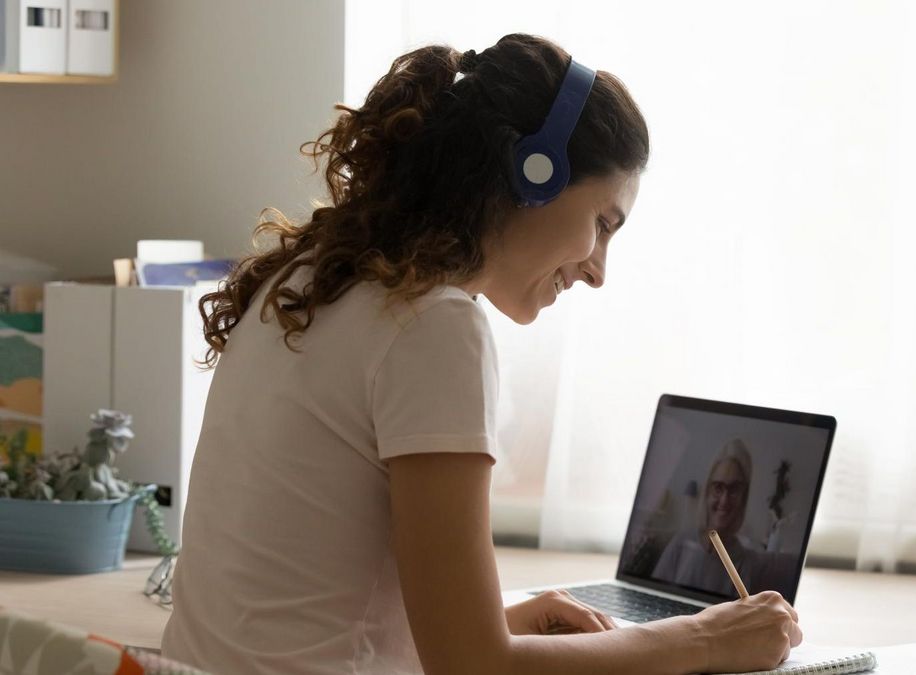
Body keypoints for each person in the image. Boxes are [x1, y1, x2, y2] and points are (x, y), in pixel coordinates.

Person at [160, 34, 802, 675]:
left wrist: (501, 622)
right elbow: (473, 666)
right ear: (534, 174)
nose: (599, 271)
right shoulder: (434, 326)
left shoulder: (304, 279)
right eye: (603, 223)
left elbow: (315, 600)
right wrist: (706, 639)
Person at [653, 439, 798, 595]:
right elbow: (652, 593)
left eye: (734, 489)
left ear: (744, 497)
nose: (724, 500)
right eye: (718, 487)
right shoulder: (681, 543)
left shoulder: (745, 563)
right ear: (707, 493)